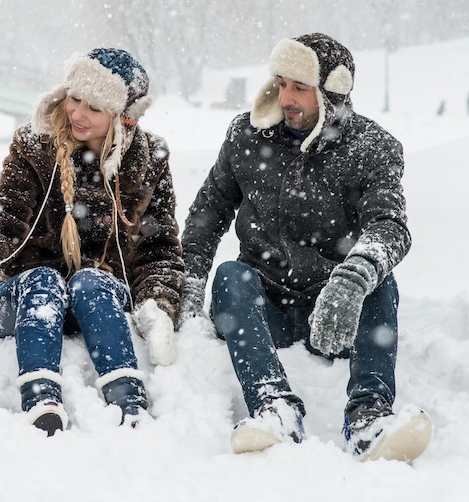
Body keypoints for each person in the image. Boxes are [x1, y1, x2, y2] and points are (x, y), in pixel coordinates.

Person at [0, 48, 184, 435]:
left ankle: (128, 398)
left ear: (123, 118)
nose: (77, 114)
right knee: (44, 281)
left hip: (96, 302)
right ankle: (41, 396)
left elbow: (159, 246)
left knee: (92, 281)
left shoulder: (151, 158)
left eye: (95, 108)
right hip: (24, 298)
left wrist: (158, 303)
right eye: (75, 98)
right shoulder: (34, 145)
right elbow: (4, 221)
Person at [179, 33, 432, 462]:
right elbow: (207, 215)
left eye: (300, 87)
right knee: (229, 276)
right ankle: (274, 407)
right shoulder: (246, 135)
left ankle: (369, 417)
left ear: (331, 92)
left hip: (336, 315)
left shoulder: (372, 148)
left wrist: (352, 280)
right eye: (281, 83)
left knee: (379, 280)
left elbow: (390, 225)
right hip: (264, 309)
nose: (286, 97)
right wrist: (187, 284)